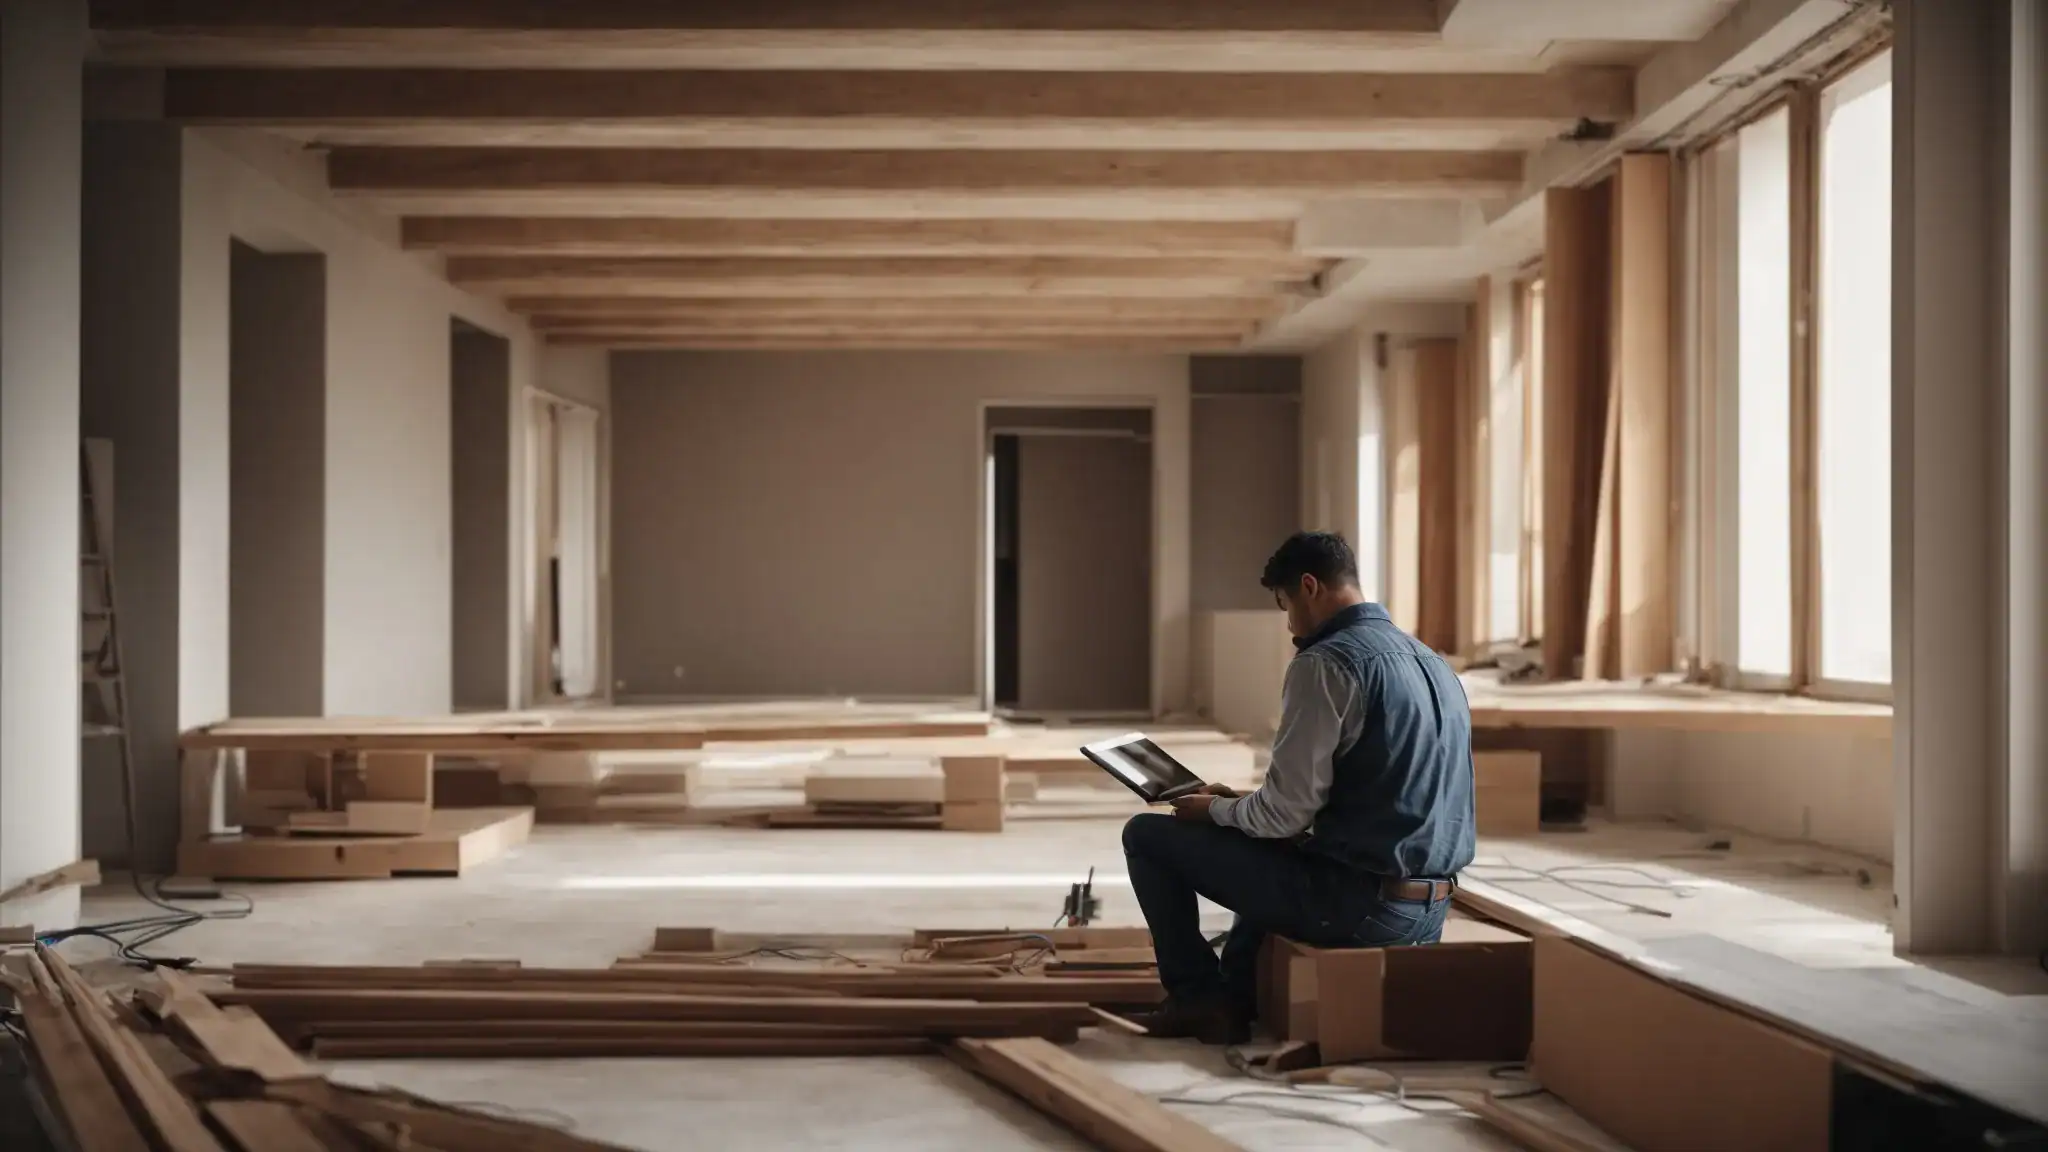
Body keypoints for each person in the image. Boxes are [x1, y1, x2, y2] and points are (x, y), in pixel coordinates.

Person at [1122, 530, 1476, 1043]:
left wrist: (1213, 811)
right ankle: (1236, 996)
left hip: (1360, 909)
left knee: (1147, 836)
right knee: (1272, 848)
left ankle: (1198, 1000)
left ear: (1310, 587)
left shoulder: (1326, 663)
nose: (1289, 624)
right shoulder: (1431, 662)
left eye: (1285, 605)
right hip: (1429, 912)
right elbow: (1368, 793)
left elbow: (1283, 815)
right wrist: (1238, 805)